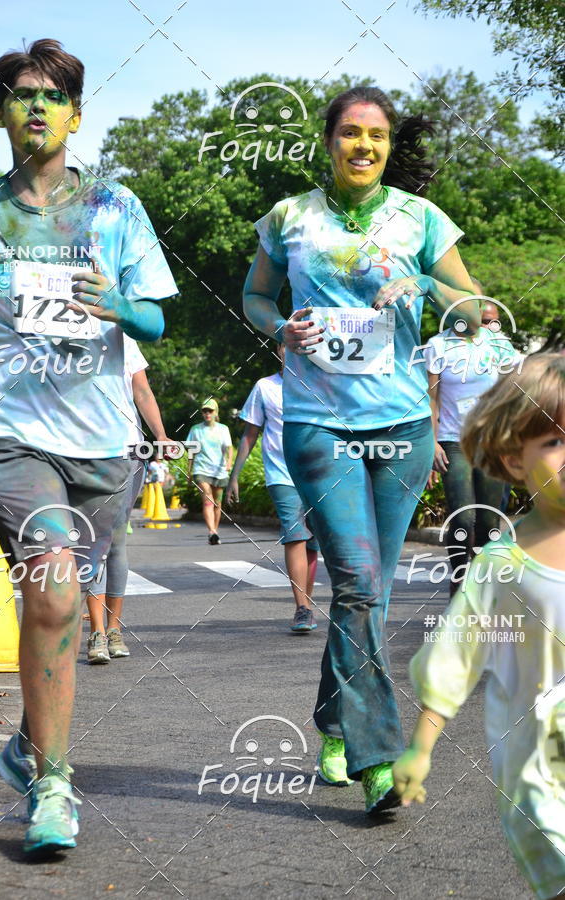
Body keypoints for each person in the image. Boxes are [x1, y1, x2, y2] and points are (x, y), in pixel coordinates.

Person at [0, 40, 177, 856]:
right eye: (21, 95)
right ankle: (54, 785)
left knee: (54, 611)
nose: (37, 107)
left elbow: (158, 320)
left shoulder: (117, 209)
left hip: (99, 444)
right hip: (4, 429)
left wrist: (119, 302)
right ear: (0, 113)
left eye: (54, 96)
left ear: (77, 115)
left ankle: (24, 745)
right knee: (52, 593)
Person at [243, 85, 480, 806]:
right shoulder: (290, 217)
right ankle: (380, 758)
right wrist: (278, 326)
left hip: (403, 426)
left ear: (386, 145)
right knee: (354, 581)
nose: (364, 147)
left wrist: (426, 284)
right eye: (350, 133)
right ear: (330, 141)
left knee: (367, 594)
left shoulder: (421, 218)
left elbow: (474, 313)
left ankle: (334, 720)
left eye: (376, 136)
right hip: (317, 423)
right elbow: (255, 297)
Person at [393, 354, 565, 900]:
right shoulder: (503, 563)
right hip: (542, 773)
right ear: (515, 461)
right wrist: (421, 747)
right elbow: (456, 654)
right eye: (556, 441)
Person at [425, 279, 522, 594]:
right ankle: (459, 583)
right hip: (455, 441)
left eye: (474, 302)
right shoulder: (437, 345)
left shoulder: (498, 344)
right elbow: (432, 400)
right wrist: (432, 444)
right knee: (463, 518)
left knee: (488, 523)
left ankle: (483, 589)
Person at [86, 334, 172, 664]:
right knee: (95, 542)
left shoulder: (124, 338)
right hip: (87, 453)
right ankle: (95, 632)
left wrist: (161, 434)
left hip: (129, 450)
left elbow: (142, 390)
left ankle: (114, 629)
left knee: (117, 542)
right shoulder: (61, 334)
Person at [225, 344, 319, 633]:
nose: (290, 349)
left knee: (313, 543)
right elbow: (250, 433)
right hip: (282, 475)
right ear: (278, 350)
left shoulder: (321, 384)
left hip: (318, 474)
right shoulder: (264, 387)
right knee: (295, 535)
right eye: (284, 344)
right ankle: (301, 608)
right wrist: (234, 475)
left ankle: (306, 605)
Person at [187, 399, 233, 544]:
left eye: (210, 411)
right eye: (204, 411)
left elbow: (229, 447)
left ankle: (215, 532)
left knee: (217, 503)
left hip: (219, 470)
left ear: (216, 412)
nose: (207, 413)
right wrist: (189, 471)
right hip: (201, 469)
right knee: (208, 498)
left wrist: (229, 462)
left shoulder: (223, 429)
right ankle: (211, 531)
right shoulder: (195, 430)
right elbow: (191, 452)